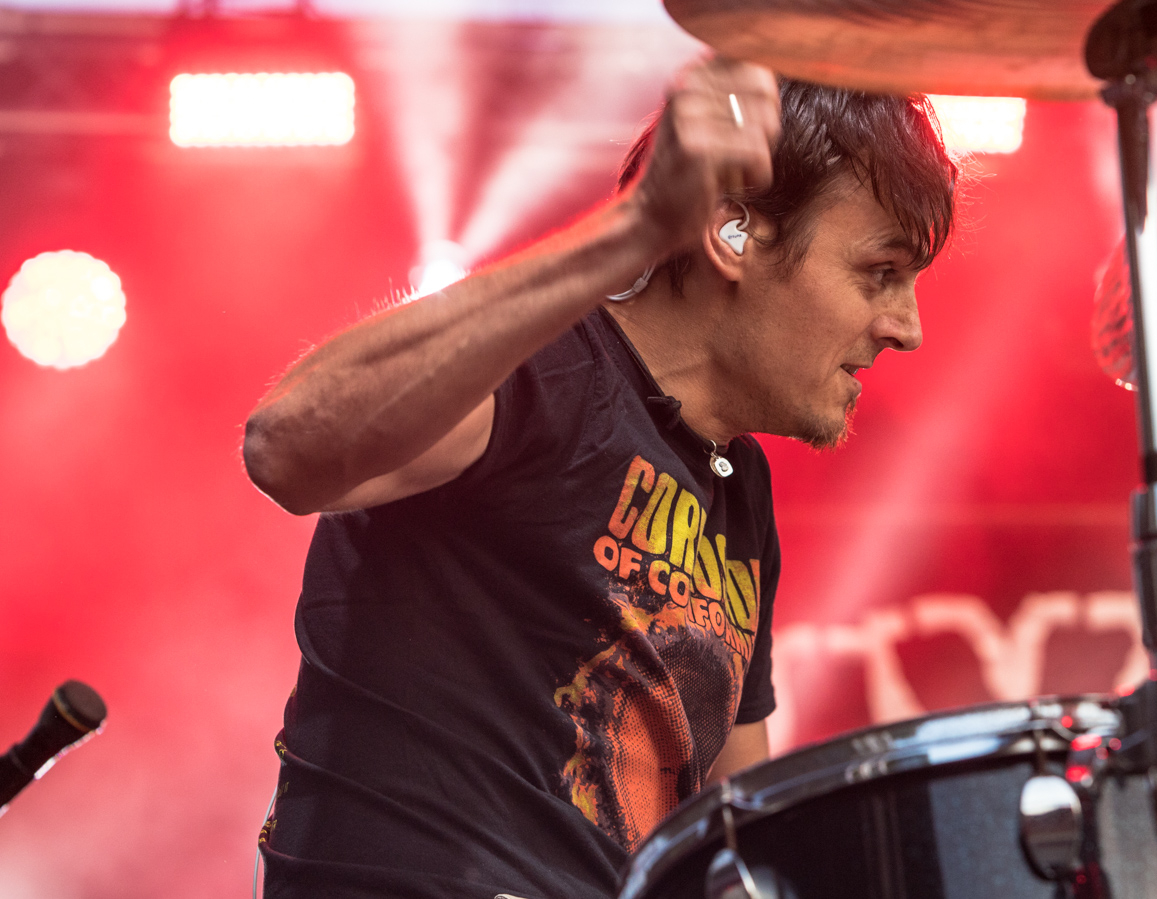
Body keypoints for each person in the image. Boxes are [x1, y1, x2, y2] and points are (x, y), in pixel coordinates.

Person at [243, 56, 959, 899]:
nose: (907, 326)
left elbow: (740, 837)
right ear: (731, 233)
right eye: (880, 272)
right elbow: (284, 447)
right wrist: (637, 227)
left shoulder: (741, 489)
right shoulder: (543, 365)